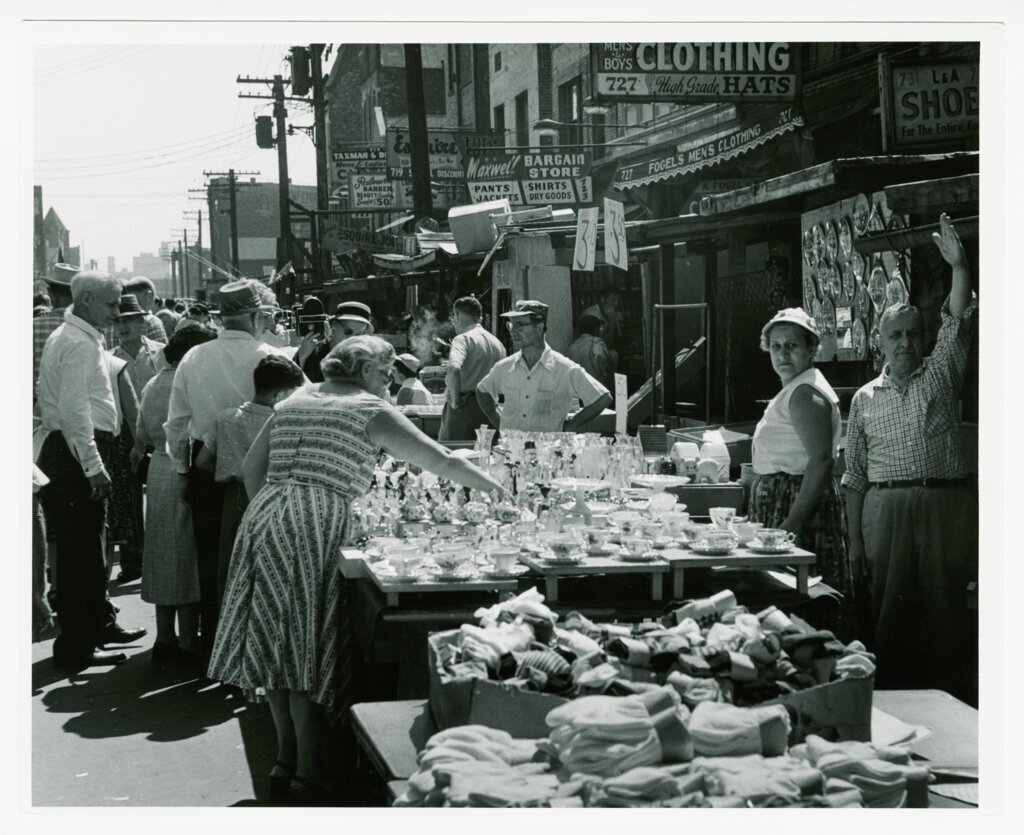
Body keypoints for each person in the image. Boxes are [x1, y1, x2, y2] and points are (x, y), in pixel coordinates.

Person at [208, 335, 504, 800]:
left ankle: (285, 762)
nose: (389, 383)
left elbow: (250, 470)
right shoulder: (371, 409)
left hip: (264, 515)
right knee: (302, 647)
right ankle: (310, 772)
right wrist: (497, 492)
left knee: (275, 645)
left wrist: (275, 513)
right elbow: (439, 458)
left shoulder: (295, 399)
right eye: (386, 374)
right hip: (315, 521)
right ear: (365, 371)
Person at [842, 212, 978, 700]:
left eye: (912, 334)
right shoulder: (862, 399)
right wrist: (855, 542)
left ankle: (957, 710)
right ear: (879, 342)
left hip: (944, 508)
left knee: (945, 615)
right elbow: (853, 477)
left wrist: (959, 267)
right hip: (886, 510)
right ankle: (892, 708)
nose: (905, 343)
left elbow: (956, 318)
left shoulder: (941, 375)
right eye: (895, 335)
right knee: (889, 616)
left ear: (924, 341)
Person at [164, 279, 305, 661]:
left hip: (207, 471)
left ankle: (215, 649)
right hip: (268, 475)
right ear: (257, 316)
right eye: (267, 316)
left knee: (212, 567)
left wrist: (183, 473)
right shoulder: (272, 357)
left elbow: (177, 423)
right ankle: (255, 653)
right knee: (265, 566)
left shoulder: (194, 357)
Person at [36, 270, 147, 667]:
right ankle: (76, 648)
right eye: (112, 303)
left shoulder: (78, 338)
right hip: (74, 453)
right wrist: (93, 466)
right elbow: (74, 412)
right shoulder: (78, 343)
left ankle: (96, 628)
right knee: (81, 556)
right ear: (85, 301)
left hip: (71, 450)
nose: (118, 312)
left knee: (89, 551)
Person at [748, 307, 852, 637]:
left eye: (792, 345)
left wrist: (791, 523)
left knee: (803, 600)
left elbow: (821, 461)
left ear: (811, 349)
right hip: (784, 501)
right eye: (776, 346)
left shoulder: (805, 393)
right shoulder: (794, 389)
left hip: (798, 507)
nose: (783, 354)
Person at [133, 325, 218, 666]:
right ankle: (187, 639)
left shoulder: (153, 384)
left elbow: (141, 433)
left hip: (157, 470)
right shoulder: (188, 382)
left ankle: (164, 637)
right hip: (182, 468)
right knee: (186, 556)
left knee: (161, 555)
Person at [195, 354, 304, 608]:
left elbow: (201, 461)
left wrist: (230, 468)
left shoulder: (225, 418)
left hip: (233, 498)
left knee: (233, 568)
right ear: (279, 394)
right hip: (273, 497)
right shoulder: (280, 422)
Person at [476, 300, 612, 434]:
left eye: (519, 325)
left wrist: (571, 426)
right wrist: (499, 422)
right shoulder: (504, 367)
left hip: (547, 452)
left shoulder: (563, 368)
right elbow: (482, 390)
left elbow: (602, 398)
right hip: (511, 452)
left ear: (539, 328)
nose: (513, 331)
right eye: (511, 325)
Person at [439, 296, 506, 442]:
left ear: (456, 315)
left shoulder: (462, 339)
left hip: (464, 409)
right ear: (479, 317)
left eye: (453, 317)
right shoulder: (498, 344)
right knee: (488, 458)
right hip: (490, 410)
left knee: (455, 458)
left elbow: (454, 369)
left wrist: (456, 401)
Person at [295, 300, 373, 383]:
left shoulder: (364, 358)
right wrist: (301, 356)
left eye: (358, 334)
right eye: (348, 332)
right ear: (334, 325)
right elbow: (291, 385)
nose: (352, 338)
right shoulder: (313, 352)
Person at [112, 294, 165, 407]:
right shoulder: (110, 359)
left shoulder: (161, 352)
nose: (121, 326)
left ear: (141, 321)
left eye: (127, 320)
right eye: (117, 321)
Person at [104, 276, 168, 348]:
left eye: (127, 320)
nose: (121, 325)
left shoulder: (109, 323)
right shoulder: (152, 322)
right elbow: (164, 355)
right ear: (149, 295)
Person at [566, 313, 612, 389]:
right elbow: (602, 368)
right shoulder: (596, 343)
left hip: (577, 388)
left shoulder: (572, 347)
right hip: (595, 388)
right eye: (599, 328)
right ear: (596, 329)